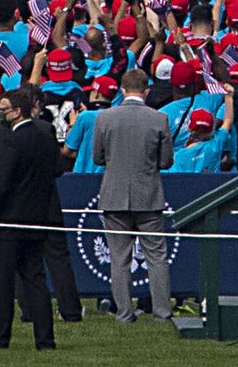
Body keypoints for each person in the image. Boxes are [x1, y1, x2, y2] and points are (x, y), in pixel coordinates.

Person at [92, 69, 175, 324]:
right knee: (156, 257)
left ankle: (124, 313)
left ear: (122, 90)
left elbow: (97, 157)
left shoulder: (104, 118)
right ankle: (162, 313)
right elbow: (166, 160)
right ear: (146, 91)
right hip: (148, 195)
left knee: (119, 258)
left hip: (114, 195)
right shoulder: (159, 118)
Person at [0, 87, 63, 351]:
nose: (1, 115)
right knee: (36, 279)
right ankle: (45, 340)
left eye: (5, 110)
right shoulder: (45, 136)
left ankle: (0, 339)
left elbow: (2, 183)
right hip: (38, 217)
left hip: (10, 220)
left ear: (17, 112)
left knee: (4, 282)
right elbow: (58, 169)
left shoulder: (10, 141)